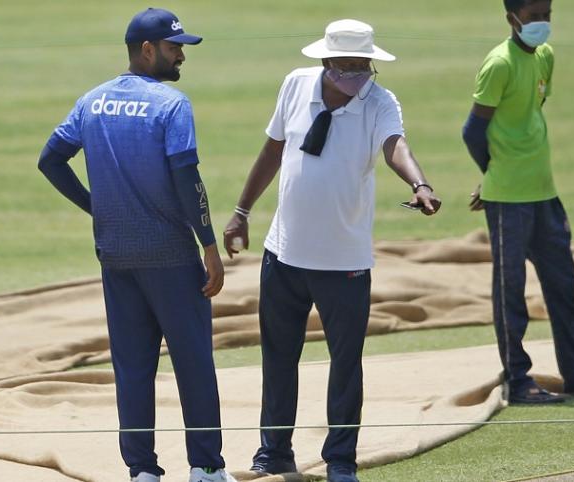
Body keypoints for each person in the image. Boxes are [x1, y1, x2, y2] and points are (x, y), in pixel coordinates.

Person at [223, 19, 441, 482]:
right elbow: (273, 149)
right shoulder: (295, 84)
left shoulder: (380, 102)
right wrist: (241, 211)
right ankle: (274, 452)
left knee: (346, 363)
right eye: (347, 66)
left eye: (364, 66)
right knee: (279, 357)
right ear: (326, 62)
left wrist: (419, 183)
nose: (357, 75)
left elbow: (394, 145)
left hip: (344, 262)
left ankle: (340, 459)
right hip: (283, 254)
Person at [37, 8, 236, 482]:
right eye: (174, 48)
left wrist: (97, 208)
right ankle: (205, 467)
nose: (181, 56)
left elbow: (50, 160)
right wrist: (208, 243)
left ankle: (142, 471)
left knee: (132, 366)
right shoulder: (171, 104)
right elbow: (188, 179)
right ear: (147, 50)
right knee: (193, 364)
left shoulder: (92, 101)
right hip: (170, 255)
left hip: (116, 255)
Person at [462, 0, 574, 403]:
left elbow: (531, 112)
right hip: (508, 201)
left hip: (544, 194)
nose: (542, 24)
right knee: (510, 292)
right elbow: (472, 131)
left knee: (564, 286)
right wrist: (492, 175)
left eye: (547, 15)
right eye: (534, 17)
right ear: (511, 18)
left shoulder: (546, 56)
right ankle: (518, 381)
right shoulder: (498, 64)